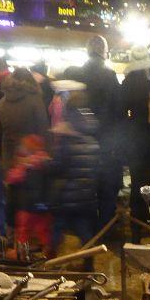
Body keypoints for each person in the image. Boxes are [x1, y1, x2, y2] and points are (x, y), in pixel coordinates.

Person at [73, 35, 121, 229]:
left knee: (85, 189)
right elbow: (118, 111)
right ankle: (105, 230)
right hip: (105, 142)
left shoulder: (75, 74)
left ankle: (87, 231)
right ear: (104, 52)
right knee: (108, 189)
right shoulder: (109, 76)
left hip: (79, 141)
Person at [120, 44, 150, 235]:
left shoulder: (128, 81)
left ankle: (137, 230)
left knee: (138, 182)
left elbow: (122, 111)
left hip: (137, 139)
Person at [0, 67, 48, 230]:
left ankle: (12, 234)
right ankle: (26, 238)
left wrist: (0, 159)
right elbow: (43, 129)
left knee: (12, 198)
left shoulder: (2, 102)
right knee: (29, 201)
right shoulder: (35, 100)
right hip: (31, 160)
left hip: (9, 160)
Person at [46, 89, 100, 247]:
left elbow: (58, 166)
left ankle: (51, 263)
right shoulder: (92, 139)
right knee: (84, 230)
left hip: (66, 196)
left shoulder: (67, 138)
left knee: (57, 229)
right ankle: (89, 262)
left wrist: (45, 163)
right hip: (87, 196)